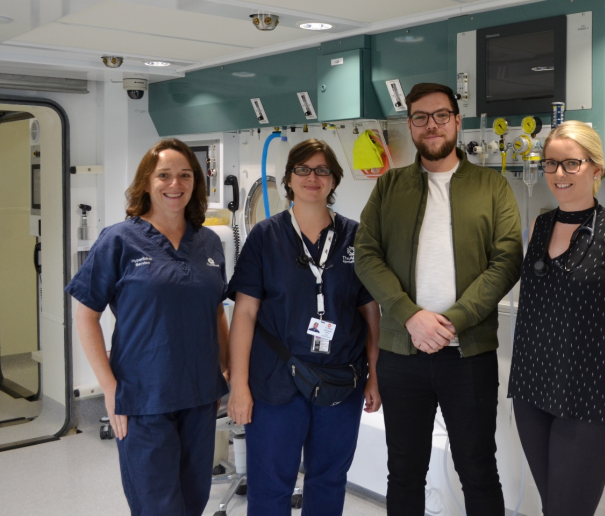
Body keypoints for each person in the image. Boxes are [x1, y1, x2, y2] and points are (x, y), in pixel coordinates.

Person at [355, 82, 523, 515]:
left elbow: (506, 261)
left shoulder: (492, 186)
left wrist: (453, 320)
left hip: (468, 355)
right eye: (421, 118)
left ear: (456, 121)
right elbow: (366, 255)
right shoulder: (389, 187)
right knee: (405, 472)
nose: (432, 126)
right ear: (410, 125)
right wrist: (411, 317)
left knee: (479, 471)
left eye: (441, 116)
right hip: (401, 354)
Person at [66, 139, 230, 515]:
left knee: (193, 501)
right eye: (165, 175)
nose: (175, 184)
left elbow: (216, 310)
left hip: (201, 394)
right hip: (143, 398)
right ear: (147, 182)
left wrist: (225, 367)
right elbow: (86, 314)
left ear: (195, 182)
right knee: (158, 506)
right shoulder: (119, 240)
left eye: (185, 175)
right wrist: (110, 389)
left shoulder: (207, 241)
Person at [508, 120, 605, 516]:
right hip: (531, 391)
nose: (559, 174)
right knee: (553, 508)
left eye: (571, 164)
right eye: (550, 164)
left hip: (591, 401)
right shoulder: (540, 226)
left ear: (596, 168)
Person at [226, 139, 381, 516]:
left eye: (323, 170)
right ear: (289, 180)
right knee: (270, 484)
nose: (313, 177)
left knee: (329, 479)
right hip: (275, 382)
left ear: (334, 181)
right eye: (303, 170)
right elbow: (244, 314)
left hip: (341, 381)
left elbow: (371, 313)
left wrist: (374, 377)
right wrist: (239, 386)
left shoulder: (355, 237)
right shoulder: (265, 237)